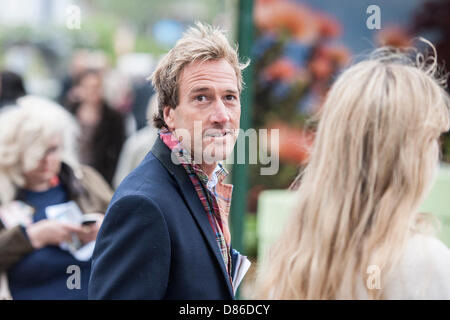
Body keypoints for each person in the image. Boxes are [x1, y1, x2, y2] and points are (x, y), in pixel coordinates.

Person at [255, 41, 450, 299]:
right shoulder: (426, 263)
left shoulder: (293, 260)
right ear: (407, 158)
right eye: (432, 139)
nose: (435, 154)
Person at [89, 22, 249, 299]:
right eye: (202, 97)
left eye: (230, 97)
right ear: (170, 115)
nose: (222, 114)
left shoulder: (203, 184)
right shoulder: (142, 205)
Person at [0, 96, 113, 299]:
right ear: (16, 152)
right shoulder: (4, 194)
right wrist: (32, 236)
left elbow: (129, 226)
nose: (47, 160)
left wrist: (104, 226)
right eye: (37, 152)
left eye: (53, 149)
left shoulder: (84, 180)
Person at [66, 69, 126, 187]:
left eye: (96, 87)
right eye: (88, 87)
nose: (93, 91)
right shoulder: (71, 111)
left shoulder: (113, 117)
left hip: (100, 176)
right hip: (74, 174)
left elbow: (119, 149)